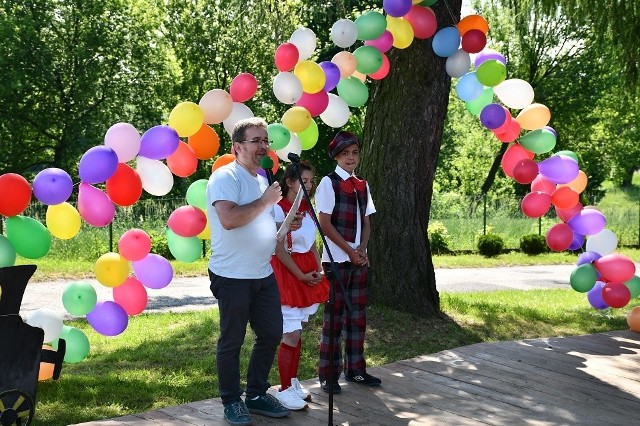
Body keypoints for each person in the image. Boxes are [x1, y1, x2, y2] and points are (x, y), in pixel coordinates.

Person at [206, 117, 291, 426]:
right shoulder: (226, 177)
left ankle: (255, 395)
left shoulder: (260, 179)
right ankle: (231, 401)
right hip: (232, 276)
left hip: (261, 273)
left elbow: (256, 219)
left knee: (271, 333)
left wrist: (281, 226)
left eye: (265, 140)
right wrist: (266, 200)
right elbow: (229, 219)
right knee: (232, 340)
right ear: (237, 147)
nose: (263, 146)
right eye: (256, 141)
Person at [315, 130, 381, 394]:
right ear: (336, 156)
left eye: (354, 153)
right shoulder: (327, 183)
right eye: (345, 154)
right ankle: (328, 375)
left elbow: (366, 221)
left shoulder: (363, 185)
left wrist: (362, 249)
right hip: (336, 261)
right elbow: (325, 223)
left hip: (357, 261)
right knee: (334, 320)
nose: (351, 158)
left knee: (357, 318)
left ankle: (356, 370)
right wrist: (349, 251)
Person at [270, 161, 329, 410]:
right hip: (288, 271)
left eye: (311, 181)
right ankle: (283, 389)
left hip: (307, 270)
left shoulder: (307, 208)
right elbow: (278, 247)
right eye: (304, 181)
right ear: (290, 182)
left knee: (299, 330)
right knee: (290, 332)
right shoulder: (278, 209)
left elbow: (312, 243)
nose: (309, 185)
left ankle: (292, 381)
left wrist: (319, 268)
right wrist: (300, 275)